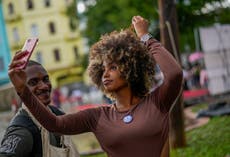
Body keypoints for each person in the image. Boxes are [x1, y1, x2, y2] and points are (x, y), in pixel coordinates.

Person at [8, 16, 183, 157]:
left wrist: (145, 37)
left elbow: (174, 74)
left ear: (132, 68)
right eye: (103, 69)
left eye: (113, 67)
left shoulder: (157, 102)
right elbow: (55, 124)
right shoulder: (97, 117)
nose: (105, 74)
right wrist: (23, 90)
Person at [1, 60, 79, 157]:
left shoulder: (58, 114)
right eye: (33, 82)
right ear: (21, 88)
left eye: (46, 79)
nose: (44, 86)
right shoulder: (23, 130)